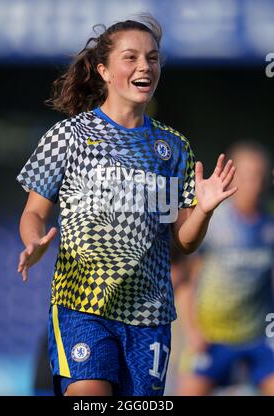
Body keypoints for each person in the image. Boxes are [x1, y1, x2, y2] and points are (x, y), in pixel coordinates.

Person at [16, 15, 237, 396]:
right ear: (103, 69)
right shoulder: (69, 134)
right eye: (130, 57)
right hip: (81, 304)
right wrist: (34, 241)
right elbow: (34, 212)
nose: (144, 67)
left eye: (152, 58)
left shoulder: (172, 148)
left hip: (149, 315)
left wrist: (203, 209)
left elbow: (182, 242)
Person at [175, 141, 274, 396]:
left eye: (262, 176)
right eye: (249, 175)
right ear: (231, 177)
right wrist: (193, 332)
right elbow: (184, 281)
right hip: (211, 338)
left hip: (257, 339)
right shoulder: (212, 223)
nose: (256, 183)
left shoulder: (269, 227)